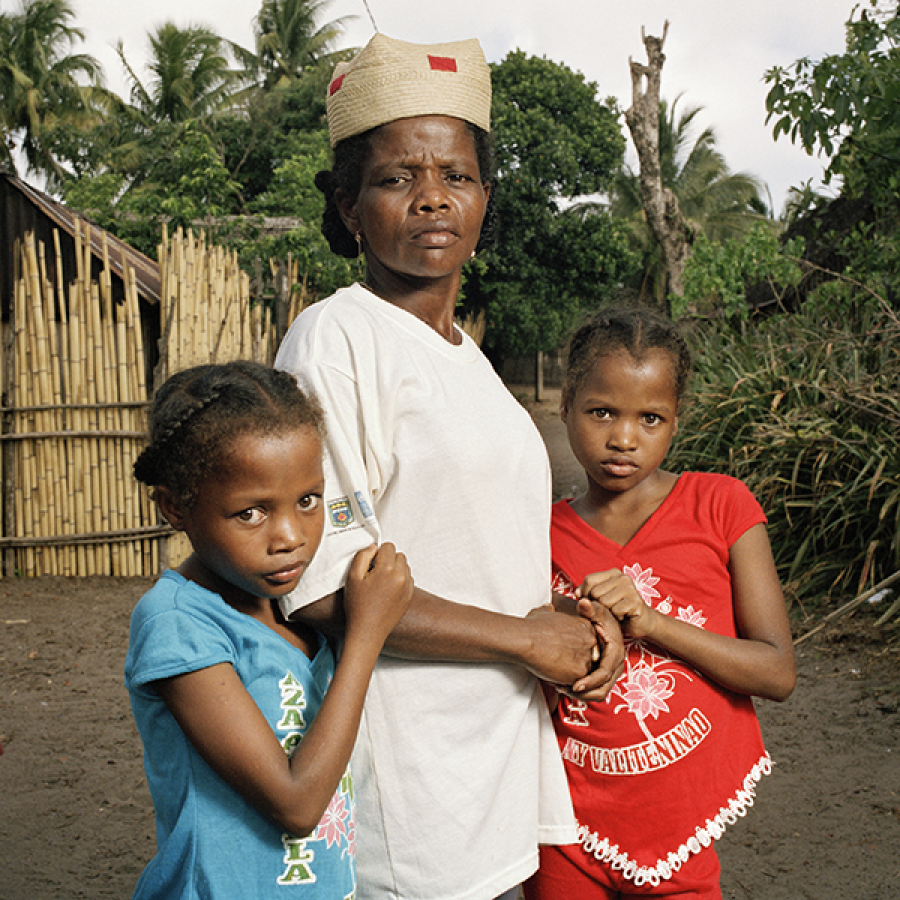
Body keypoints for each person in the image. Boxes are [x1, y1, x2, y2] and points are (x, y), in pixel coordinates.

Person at [274, 33, 624, 900]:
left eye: (456, 176)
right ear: (350, 206)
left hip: (497, 769)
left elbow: (476, 546)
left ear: (484, 197)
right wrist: (527, 639)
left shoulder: (471, 359)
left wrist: (573, 624)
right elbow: (322, 583)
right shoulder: (337, 338)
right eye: (397, 178)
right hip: (410, 782)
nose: (433, 198)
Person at [524, 306, 797, 899]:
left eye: (650, 418)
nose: (623, 438)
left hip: (681, 831)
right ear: (566, 404)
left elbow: (776, 671)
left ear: (677, 422)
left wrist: (650, 623)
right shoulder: (535, 533)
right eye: (602, 412)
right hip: (564, 828)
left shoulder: (721, 507)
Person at [125, 361, 414, 899]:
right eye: (251, 513)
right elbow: (297, 803)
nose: (290, 537)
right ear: (175, 506)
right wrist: (367, 635)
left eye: (308, 501)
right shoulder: (179, 623)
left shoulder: (296, 608)